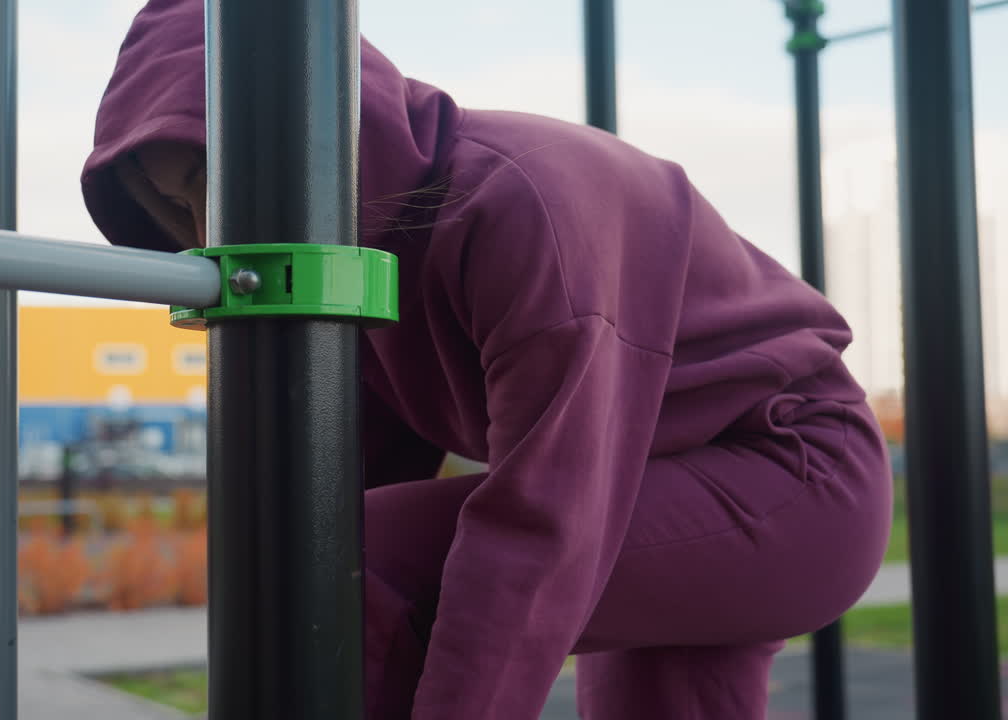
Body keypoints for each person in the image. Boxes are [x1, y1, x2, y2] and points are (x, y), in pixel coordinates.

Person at [80, 2, 893, 717]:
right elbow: (355, 476)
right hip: (671, 484)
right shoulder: (371, 255)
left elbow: (535, 525)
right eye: (177, 202)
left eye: (211, 176)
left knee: (354, 564)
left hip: (795, 476)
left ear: (321, 124)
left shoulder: (519, 204)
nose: (207, 227)